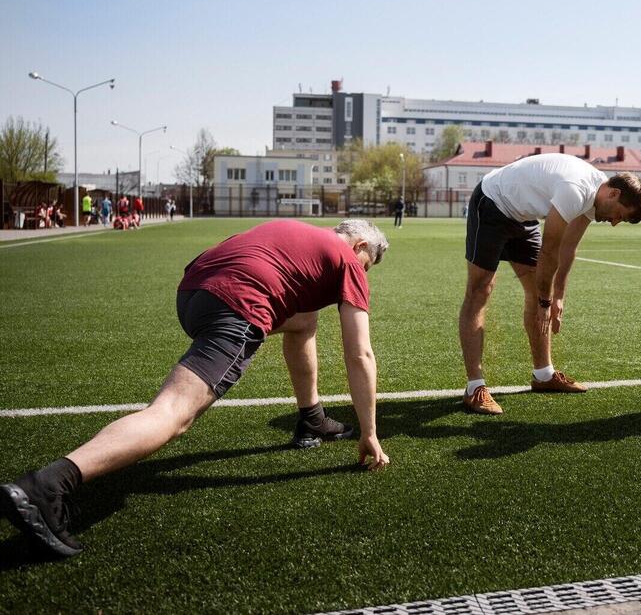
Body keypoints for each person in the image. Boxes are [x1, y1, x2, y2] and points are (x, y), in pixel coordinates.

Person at [0, 219, 392, 557]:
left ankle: (312, 418)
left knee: (304, 322)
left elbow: (292, 307)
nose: (362, 274)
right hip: (237, 302)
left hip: (192, 292)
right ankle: (47, 487)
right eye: (367, 266)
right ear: (358, 247)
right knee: (172, 413)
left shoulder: (299, 235)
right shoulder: (346, 261)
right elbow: (360, 355)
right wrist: (370, 433)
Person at [460, 153, 641, 414]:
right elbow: (549, 252)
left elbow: (568, 248)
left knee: (535, 289)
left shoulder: (594, 196)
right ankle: (475, 387)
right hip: (493, 202)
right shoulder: (576, 190)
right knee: (481, 290)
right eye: (620, 215)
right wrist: (545, 300)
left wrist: (558, 295)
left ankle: (543, 375)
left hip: (523, 217)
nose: (615, 223)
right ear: (614, 194)